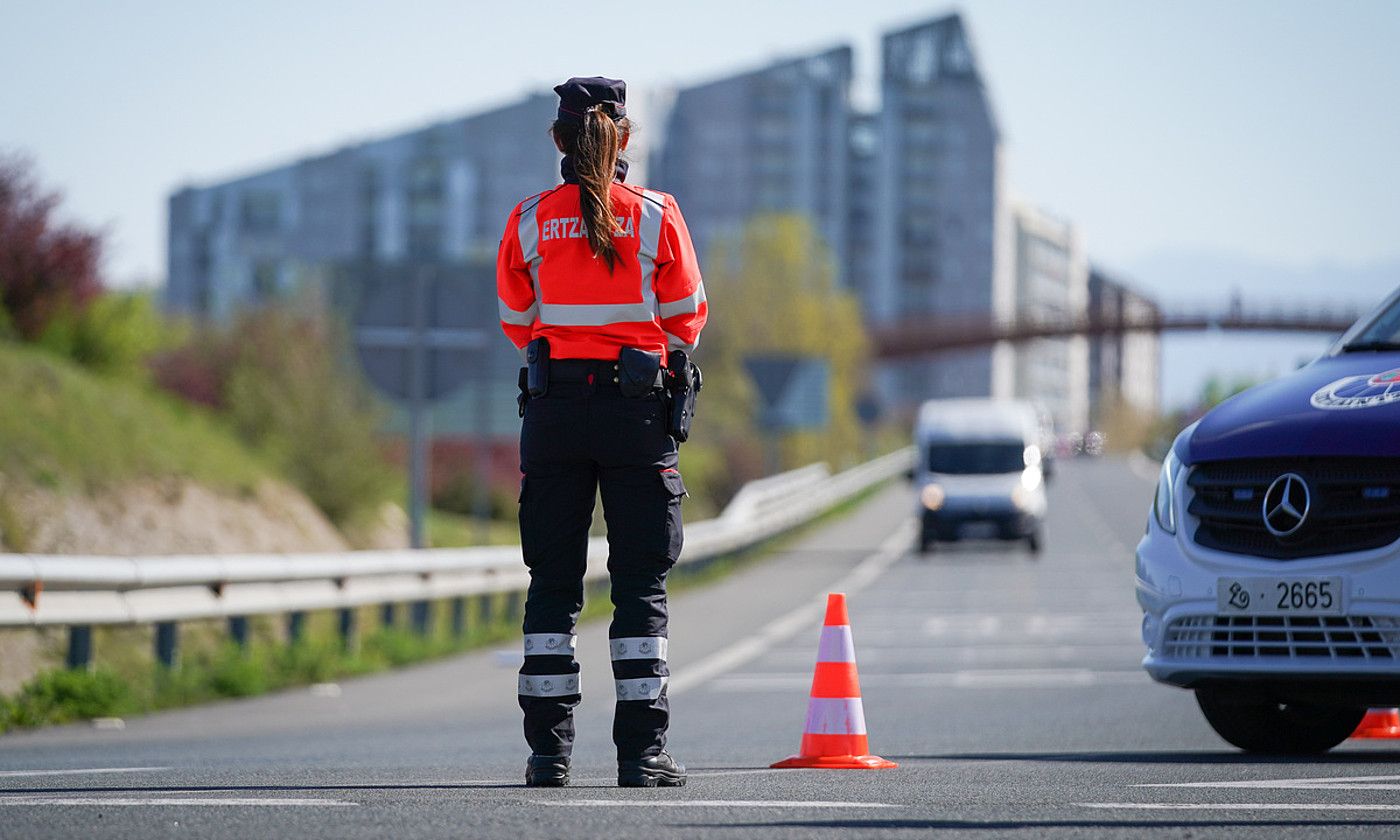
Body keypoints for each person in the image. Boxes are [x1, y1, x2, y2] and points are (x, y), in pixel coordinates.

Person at [496, 76, 707, 788]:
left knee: (551, 583)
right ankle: (640, 755)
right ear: (625, 139)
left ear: (558, 139)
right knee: (639, 583)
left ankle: (547, 755)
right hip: (635, 414)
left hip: (553, 412)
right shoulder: (656, 215)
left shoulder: (528, 220)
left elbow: (518, 321)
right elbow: (687, 317)